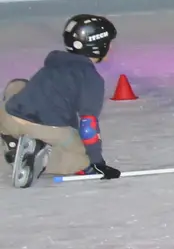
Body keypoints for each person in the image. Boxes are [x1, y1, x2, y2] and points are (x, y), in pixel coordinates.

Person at [3, 14, 120, 189]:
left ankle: (11, 140)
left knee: (18, 85)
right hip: (48, 128)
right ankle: (38, 159)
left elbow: (17, 86)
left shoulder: (54, 62)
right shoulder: (91, 78)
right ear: (97, 45)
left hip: (8, 116)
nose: (111, 48)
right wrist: (96, 163)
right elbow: (88, 124)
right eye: (109, 43)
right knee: (79, 159)